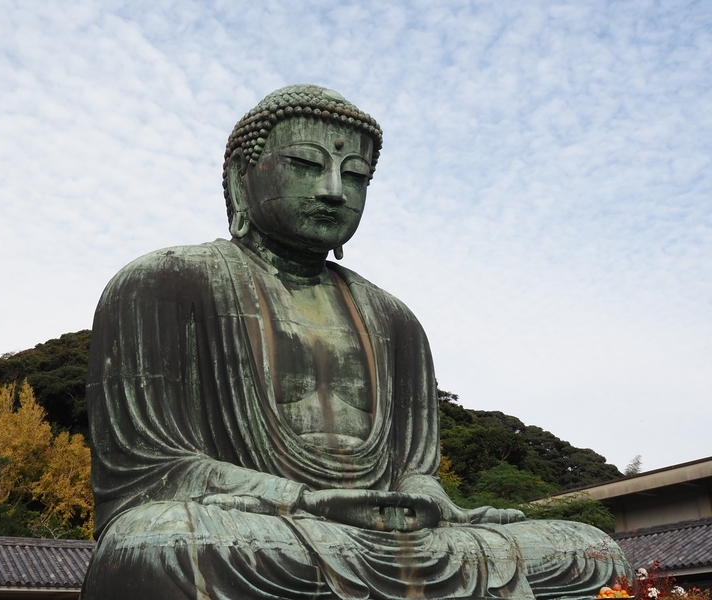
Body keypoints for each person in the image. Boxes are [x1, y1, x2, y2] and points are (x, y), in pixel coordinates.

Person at [80, 84, 630, 600]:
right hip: (262, 527)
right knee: (155, 544)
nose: (333, 191)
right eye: (305, 165)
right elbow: (154, 469)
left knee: (592, 550)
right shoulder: (164, 282)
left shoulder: (394, 319)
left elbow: (415, 469)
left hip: (390, 537)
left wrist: (434, 505)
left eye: (357, 176)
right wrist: (300, 499)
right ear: (239, 178)